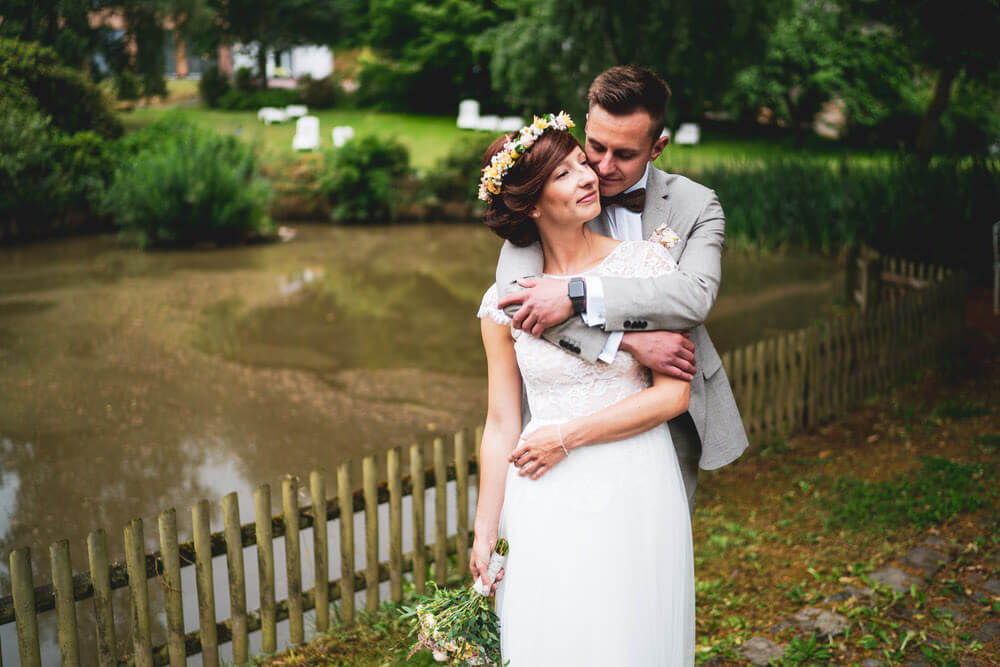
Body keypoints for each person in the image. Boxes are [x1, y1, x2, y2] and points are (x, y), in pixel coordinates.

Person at [472, 112, 695, 664]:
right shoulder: (502, 301)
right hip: (541, 490)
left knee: (626, 634)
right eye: (565, 174)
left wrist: (566, 437)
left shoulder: (646, 264)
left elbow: (673, 396)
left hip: (633, 480)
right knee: (552, 633)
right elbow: (501, 423)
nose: (589, 176)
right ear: (530, 204)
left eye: (581, 163)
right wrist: (483, 531)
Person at [495, 66, 748, 512]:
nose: (603, 169)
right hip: (572, 407)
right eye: (596, 146)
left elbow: (693, 297)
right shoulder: (560, 193)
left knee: (655, 544)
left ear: (658, 148)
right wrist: (624, 341)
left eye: (625, 154)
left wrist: (577, 295)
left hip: (673, 406)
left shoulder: (697, 204)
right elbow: (515, 294)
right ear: (586, 124)